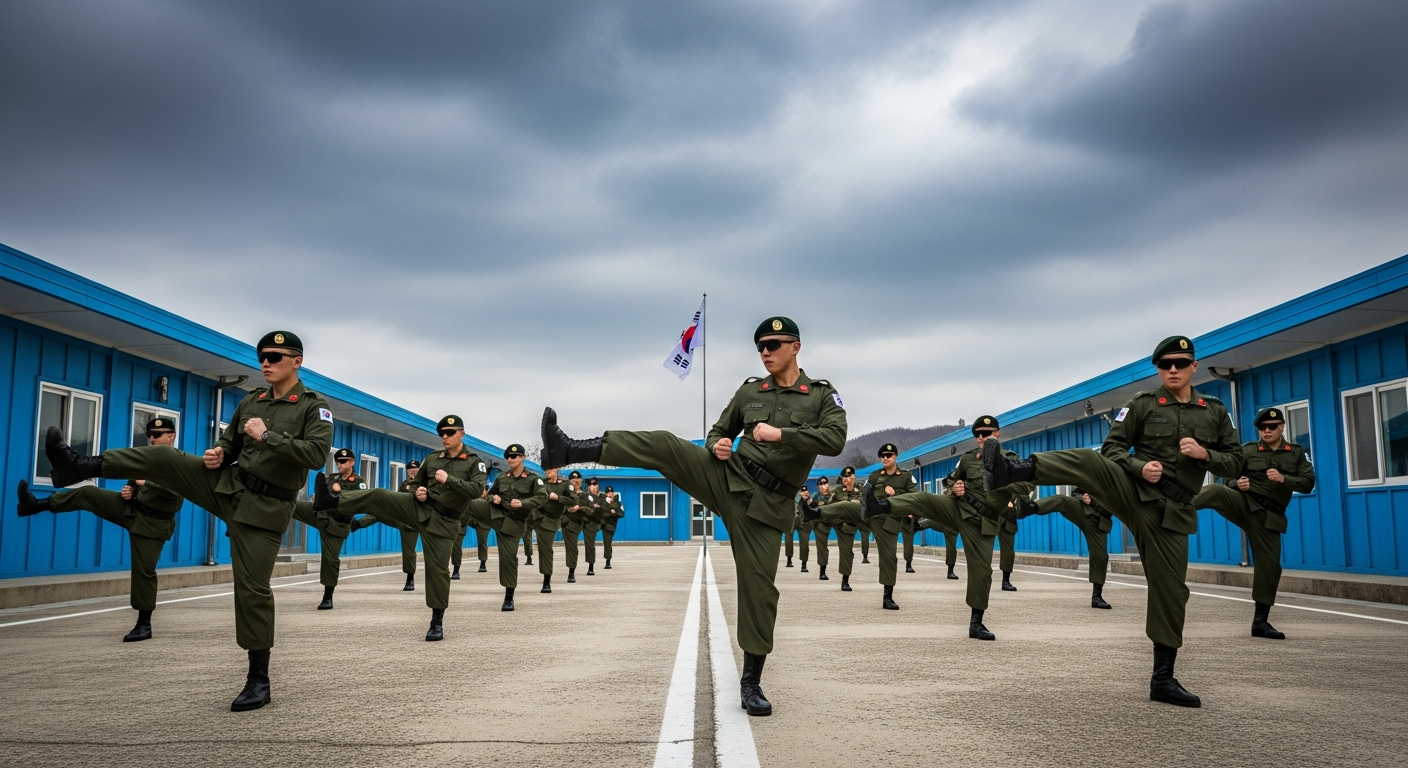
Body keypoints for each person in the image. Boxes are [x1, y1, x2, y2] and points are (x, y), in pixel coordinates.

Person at [542, 316, 846, 717]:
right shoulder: (750, 390)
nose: (766, 352)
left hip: (767, 505)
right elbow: (719, 429)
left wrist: (781, 435)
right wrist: (717, 443)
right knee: (668, 446)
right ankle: (571, 450)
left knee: (759, 590)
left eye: (774, 344)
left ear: (796, 347)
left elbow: (836, 439)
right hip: (729, 475)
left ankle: (751, 682)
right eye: (760, 347)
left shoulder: (821, 395)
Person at [42, 331, 333, 711]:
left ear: (296, 361)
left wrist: (267, 436)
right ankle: (78, 466)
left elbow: (314, 455)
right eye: (262, 355)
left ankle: (258, 680)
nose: (266, 362)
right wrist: (219, 454)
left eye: (276, 356)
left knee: (252, 590)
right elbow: (231, 443)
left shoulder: (314, 407)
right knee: (165, 459)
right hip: (229, 485)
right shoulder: (251, 400)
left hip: (266, 508)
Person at [984, 335, 1241, 707]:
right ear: (1157, 368)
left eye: (1180, 363)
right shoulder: (1143, 404)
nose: (1172, 369)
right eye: (1165, 364)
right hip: (1134, 491)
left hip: (1172, 511)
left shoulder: (1214, 411)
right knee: (1090, 463)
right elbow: (1112, 449)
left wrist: (1206, 454)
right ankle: (1014, 470)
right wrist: (1140, 466)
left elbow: (1235, 462)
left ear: (1193, 367)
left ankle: (1163, 680)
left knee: (1171, 592)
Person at [318, 415, 486, 641]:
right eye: (441, 434)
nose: (444, 437)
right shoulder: (432, 458)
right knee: (379, 496)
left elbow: (476, 490)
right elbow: (417, 483)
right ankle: (333, 500)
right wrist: (418, 491)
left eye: (450, 432)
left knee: (437, 571)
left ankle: (436, 622)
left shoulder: (474, 462)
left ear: (461, 434)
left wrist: (449, 480)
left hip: (445, 521)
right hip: (420, 508)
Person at [17, 416, 185, 642]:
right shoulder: (144, 458)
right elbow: (132, 485)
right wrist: (130, 491)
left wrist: (146, 484)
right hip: (130, 511)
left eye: (157, 435)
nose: (152, 439)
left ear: (171, 436)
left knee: (144, 571)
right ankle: (35, 505)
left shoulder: (178, 462)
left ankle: (144, 624)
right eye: (149, 436)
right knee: (89, 493)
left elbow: (177, 493)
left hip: (153, 525)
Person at [870, 416, 1031, 641]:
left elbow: (1026, 487)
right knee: (924, 498)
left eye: (986, 433)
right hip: (958, 510)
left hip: (982, 524)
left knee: (982, 572)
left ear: (998, 434)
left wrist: (1008, 492)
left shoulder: (1010, 460)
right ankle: (881, 506)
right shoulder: (967, 459)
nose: (981, 438)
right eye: (977, 435)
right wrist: (954, 488)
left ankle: (976, 623)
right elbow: (949, 481)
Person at [1192, 406, 1315, 639]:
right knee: (1217, 491)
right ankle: (1174, 505)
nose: (1266, 431)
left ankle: (1260, 622)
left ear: (1282, 426)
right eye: (1262, 428)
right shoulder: (1247, 450)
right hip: (1244, 503)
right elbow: (1227, 477)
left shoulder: (1297, 453)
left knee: (1270, 567)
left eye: (1271, 427)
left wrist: (1283, 479)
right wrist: (1236, 484)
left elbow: (1308, 483)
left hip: (1269, 516)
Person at [463, 444, 545, 611]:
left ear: (522, 457)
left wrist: (523, 503)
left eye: (514, 456)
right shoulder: (502, 477)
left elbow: (542, 498)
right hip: (495, 513)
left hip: (513, 524)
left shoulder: (533, 479)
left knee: (508, 560)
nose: (510, 459)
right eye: (508, 456)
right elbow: (490, 494)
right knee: (468, 502)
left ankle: (509, 597)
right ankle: (443, 519)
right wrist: (494, 498)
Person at [291, 448, 375, 610]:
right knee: (290, 506)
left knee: (330, 560)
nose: (339, 464)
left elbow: (362, 502)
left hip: (337, 525)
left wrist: (339, 493)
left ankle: (328, 596)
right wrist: (317, 498)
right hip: (320, 515)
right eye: (338, 461)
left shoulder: (359, 482)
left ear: (352, 462)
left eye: (343, 461)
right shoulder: (331, 478)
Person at [1016, 489, 1114, 608]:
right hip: (1082, 510)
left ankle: (1097, 597)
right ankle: (1031, 507)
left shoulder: (1116, 481)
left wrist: (1094, 502)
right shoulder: (1092, 474)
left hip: (1099, 521)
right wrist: (1082, 497)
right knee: (1061, 500)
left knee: (1100, 556)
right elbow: (1075, 491)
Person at [824, 467, 864, 592]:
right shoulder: (837, 491)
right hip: (841, 525)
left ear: (854, 477)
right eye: (844, 477)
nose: (846, 479)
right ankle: (845, 580)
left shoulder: (861, 490)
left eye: (849, 476)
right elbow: (829, 507)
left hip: (855, 523)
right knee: (846, 551)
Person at [534, 466, 572, 592]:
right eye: (546, 469)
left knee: (545, 549)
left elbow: (573, 500)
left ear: (557, 469)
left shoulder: (564, 485)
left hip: (550, 520)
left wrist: (558, 498)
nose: (547, 472)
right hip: (535, 515)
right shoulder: (539, 482)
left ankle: (546, 581)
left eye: (550, 469)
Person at [560, 470, 587, 583]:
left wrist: (580, 508)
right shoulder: (565, 495)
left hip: (582, 523)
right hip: (568, 524)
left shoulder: (584, 495)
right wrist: (568, 509)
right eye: (573, 481)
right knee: (572, 547)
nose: (575, 483)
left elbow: (591, 509)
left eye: (577, 480)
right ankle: (571, 572)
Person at [807, 477, 832, 580]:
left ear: (828, 484)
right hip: (822, 524)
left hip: (836, 521)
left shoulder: (834, 495)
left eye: (824, 483)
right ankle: (822, 571)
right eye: (820, 484)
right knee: (822, 547)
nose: (822, 486)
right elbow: (811, 509)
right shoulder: (817, 497)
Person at [581, 478, 605, 576]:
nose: (593, 486)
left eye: (595, 484)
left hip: (591, 523)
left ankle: (591, 566)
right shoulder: (584, 496)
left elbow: (605, 508)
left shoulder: (601, 497)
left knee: (590, 545)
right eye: (591, 485)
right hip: (580, 521)